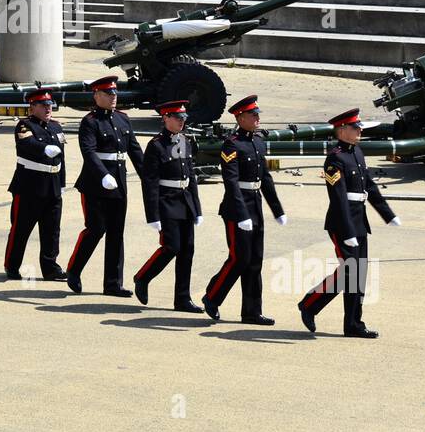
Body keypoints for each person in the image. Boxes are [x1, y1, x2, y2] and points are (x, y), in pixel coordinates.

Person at [297, 108, 402, 339]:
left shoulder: (357, 152)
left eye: (359, 127)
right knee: (349, 270)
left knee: (358, 273)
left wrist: (388, 214)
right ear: (342, 130)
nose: (359, 130)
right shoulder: (335, 158)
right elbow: (338, 197)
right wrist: (347, 231)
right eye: (355, 127)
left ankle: (353, 323)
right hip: (342, 222)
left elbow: (370, 187)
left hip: (359, 220)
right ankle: (310, 304)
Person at [201, 96, 287, 324]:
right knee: (240, 258)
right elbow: (231, 181)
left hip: (255, 204)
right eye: (253, 115)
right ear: (240, 118)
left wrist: (277, 209)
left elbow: (265, 178)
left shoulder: (258, 142)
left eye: (258, 114)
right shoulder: (232, 144)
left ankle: (251, 311)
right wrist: (241, 215)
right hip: (237, 208)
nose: (258, 118)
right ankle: (212, 296)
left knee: (255, 260)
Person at [65, 75, 144, 296]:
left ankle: (112, 283)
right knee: (96, 229)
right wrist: (102, 175)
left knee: (117, 233)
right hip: (95, 184)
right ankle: (74, 270)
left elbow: (135, 151)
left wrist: (150, 175)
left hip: (118, 181)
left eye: (115, 93)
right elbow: (89, 152)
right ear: (96, 95)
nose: (113, 97)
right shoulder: (90, 121)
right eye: (108, 94)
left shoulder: (123, 119)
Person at [132, 100, 203, 312]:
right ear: (165, 118)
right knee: (171, 247)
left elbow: (191, 175)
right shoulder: (156, 145)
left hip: (185, 200)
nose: (181, 122)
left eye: (183, 118)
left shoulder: (186, 141)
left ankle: (182, 298)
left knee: (187, 251)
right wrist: (152, 215)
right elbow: (150, 182)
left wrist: (197, 208)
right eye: (177, 118)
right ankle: (143, 277)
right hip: (166, 201)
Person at [4, 88, 69, 281]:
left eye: (50, 105)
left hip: (53, 186)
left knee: (51, 231)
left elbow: (61, 158)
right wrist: (43, 149)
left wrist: (62, 183)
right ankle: (12, 265)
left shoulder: (57, 127)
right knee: (21, 229)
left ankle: (50, 268)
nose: (48, 108)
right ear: (32, 107)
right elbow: (27, 145)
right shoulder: (25, 126)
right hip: (29, 187)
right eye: (43, 105)